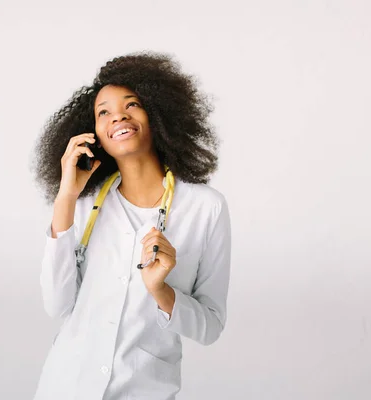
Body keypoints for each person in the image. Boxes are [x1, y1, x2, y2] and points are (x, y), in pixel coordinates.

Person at [32, 51, 231, 400]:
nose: (118, 116)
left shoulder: (205, 208)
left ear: (157, 113)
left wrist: (162, 292)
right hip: (65, 386)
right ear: (93, 132)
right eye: (103, 112)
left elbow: (211, 325)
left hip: (143, 390)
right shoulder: (82, 205)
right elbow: (57, 306)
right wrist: (64, 197)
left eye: (132, 104)